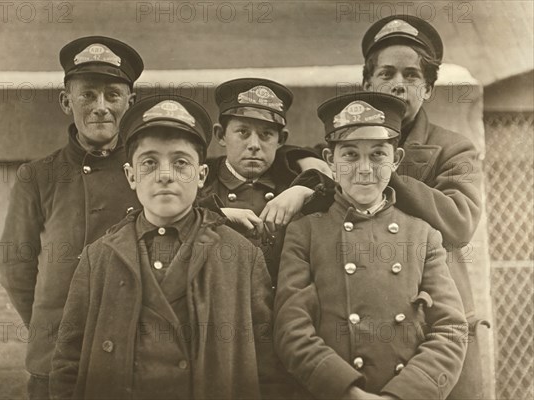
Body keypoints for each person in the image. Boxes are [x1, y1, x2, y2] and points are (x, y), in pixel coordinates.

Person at [294, 15, 485, 398]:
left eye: (412, 76)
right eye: (386, 74)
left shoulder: (454, 148)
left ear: (428, 88)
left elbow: (459, 223)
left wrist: (381, 170)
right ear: (367, 83)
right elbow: (310, 161)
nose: (398, 83)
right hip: (359, 330)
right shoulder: (340, 145)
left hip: (433, 325)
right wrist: (305, 174)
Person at [50, 95, 279, 399]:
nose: (166, 175)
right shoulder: (100, 256)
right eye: (150, 163)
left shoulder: (240, 255)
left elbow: (267, 366)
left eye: (181, 162)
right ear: (131, 176)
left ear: (201, 176)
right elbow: (68, 361)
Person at [275, 91, 468, 400]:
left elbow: (450, 329)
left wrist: (400, 395)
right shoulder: (305, 233)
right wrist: (349, 392)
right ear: (330, 161)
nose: (364, 168)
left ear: (396, 160)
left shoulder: (423, 235)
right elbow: (291, 330)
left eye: (378, 154)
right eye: (350, 155)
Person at [0, 36, 143, 399]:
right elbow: (16, 265)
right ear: (66, 101)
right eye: (87, 95)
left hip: (133, 351)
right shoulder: (38, 175)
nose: (100, 107)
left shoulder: (147, 170)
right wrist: (52, 326)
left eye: (112, 95)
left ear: (131, 102)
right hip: (56, 354)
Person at [201, 78, 331, 283]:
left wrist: (303, 190)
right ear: (221, 135)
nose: (254, 144)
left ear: (281, 140)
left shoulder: (291, 179)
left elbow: (341, 194)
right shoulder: (201, 181)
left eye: (266, 135)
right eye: (243, 132)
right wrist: (216, 214)